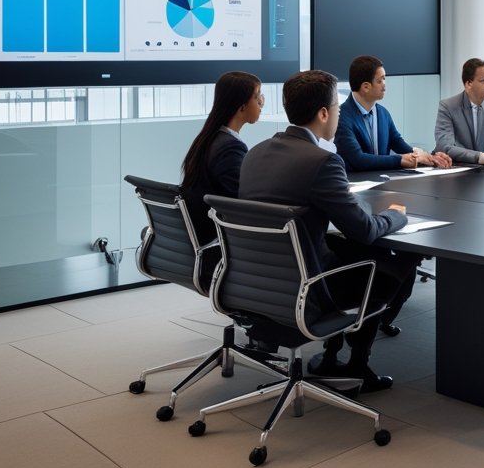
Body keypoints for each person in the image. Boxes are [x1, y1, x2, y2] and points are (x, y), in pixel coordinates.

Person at [238, 69, 418, 393]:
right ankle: (357, 365)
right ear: (324, 113)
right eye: (336, 108)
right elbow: (364, 229)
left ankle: (332, 355)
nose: (338, 113)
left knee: (351, 251)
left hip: (256, 283)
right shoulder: (322, 161)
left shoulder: (255, 153)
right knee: (391, 262)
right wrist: (395, 215)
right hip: (308, 287)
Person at [179, 71, 264, 243]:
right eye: (257, 97)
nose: (262, 102)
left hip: (200, 237)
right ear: (242, 107)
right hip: (218, 243)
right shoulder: (229, 147)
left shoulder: (210, 138)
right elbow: (239, 204)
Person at [336, 54, 452, 171]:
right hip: (355, 185)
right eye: (380, 80)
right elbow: (358, 159)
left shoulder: (382, 113)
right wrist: (400, 159)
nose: (384, 84)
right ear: (366, 87)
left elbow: (397, 142)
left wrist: (429, 158)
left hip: (383, 182)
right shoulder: (342, 117)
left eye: (384, 79)